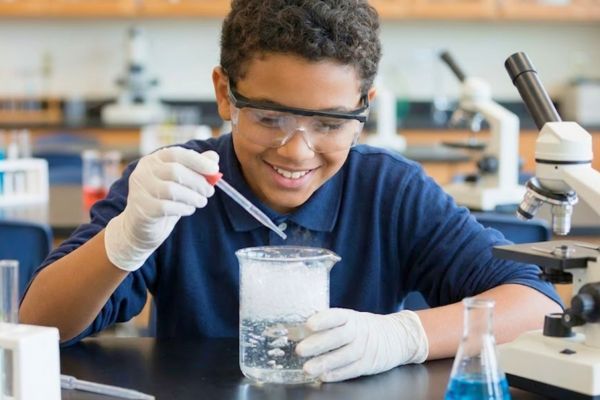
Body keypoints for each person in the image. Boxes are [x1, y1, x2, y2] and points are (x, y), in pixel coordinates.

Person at [20, 0, 561, 383]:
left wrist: (402, 336)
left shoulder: (389, 190)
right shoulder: (176, 182)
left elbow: (537, 304)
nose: (297, 151)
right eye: (269, 116)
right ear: (225, 95)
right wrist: (126, 239)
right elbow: (39, 325)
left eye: (329, 123)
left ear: (365, 108)